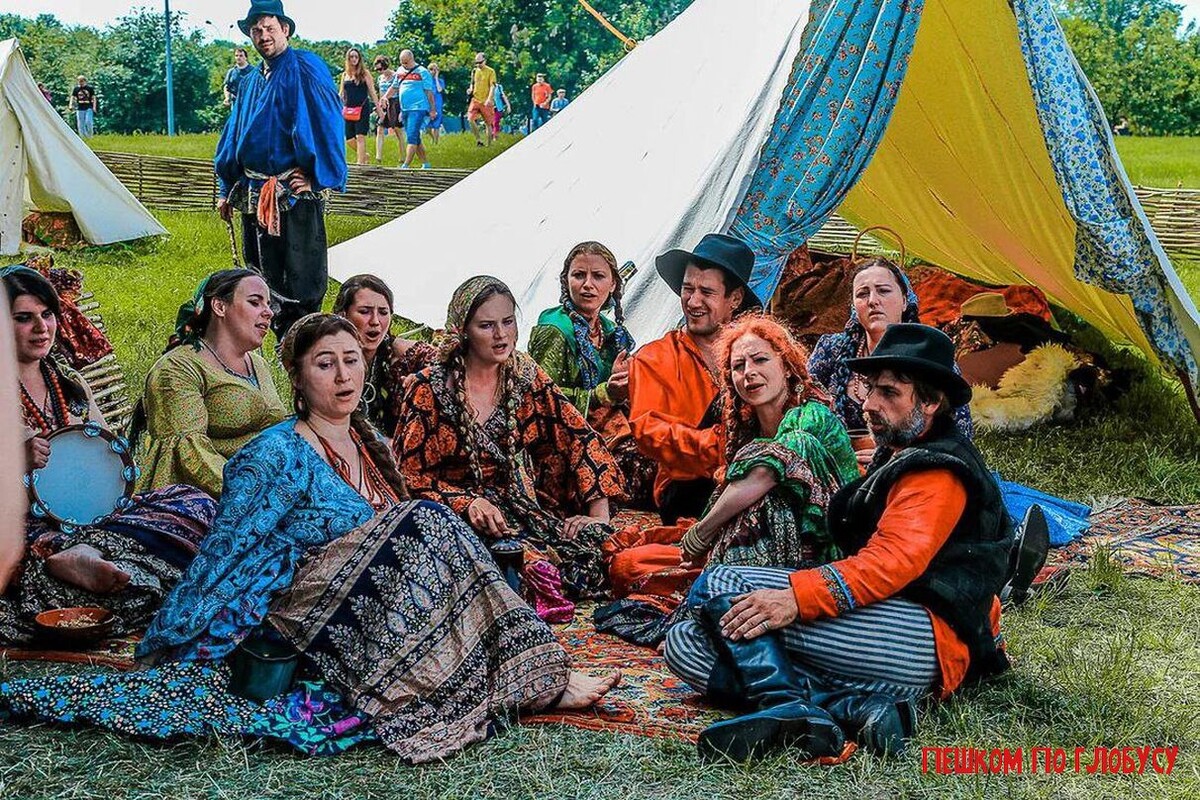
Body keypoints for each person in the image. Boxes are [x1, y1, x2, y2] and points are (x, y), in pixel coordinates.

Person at [2, 313, 619, 762]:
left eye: (351, 361)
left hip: (373, 603)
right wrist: (182, 636)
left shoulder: (372, 445)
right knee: (424, 520)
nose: (343, 375)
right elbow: (228, 552)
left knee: (437, 527)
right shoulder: (273, 455)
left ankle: (525, 674)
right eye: (325, 364)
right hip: (302, 606)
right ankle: (536, 680)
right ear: (298, 379)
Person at [665, 324, 1015, 763]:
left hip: (924, 640)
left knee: (720, 584)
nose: (868, 404)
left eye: (888, 393)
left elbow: (891, 562)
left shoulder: (937, 470)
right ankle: (852, 709)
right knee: (685, 644)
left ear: (930, 402)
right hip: (882, 640)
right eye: (869, 390)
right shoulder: (901, 452)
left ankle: (789, 705)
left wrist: (795, 598)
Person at [0, 266, 216, 645]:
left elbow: (107, 448)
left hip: (91, 518)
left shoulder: (69, 382)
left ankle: (86, 552)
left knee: (193, 501)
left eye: (47, 315)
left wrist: (109, 471)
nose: (41, 328)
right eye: (23, 318)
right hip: (22, 523)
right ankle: (70, 558)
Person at [396, 276, 625, 599]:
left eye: (508, 322)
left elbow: (576, 434)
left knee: (599, 555)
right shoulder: (428, 389)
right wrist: (467, 503)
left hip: (516, 506)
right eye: (486, 326)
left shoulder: (523, 375)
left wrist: (598, 514)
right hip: (452, 514)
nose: (501, 335)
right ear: (462, 330)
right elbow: (408, 476)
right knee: (521, 571)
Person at [214, 0, 347, 339]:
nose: (263, 36)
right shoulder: (250, 80)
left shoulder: (305, 68)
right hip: (253, 192)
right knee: (260, 277)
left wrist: (317, 177)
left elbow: (328, 121)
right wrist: (225, 188)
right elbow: (234, 133)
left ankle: (304, 345)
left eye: (269, 28)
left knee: (300, 281)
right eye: (256, 30)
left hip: (292, 194)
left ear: (285, 29)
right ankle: (277, 342)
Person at [629, 233, 762, 524]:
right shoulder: (653, 357)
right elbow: (647, 430)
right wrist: (719, 445)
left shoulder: (755, 355)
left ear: (735, 299)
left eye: (707, 292)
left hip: (752, 472)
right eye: (687, 289)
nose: (693, 301)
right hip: (685, 487)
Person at [134, 270, 287, 499]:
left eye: (268, 304)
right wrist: (255, 492)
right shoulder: (177, 368)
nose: (268, 312)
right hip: (202, 498)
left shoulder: (258, 364)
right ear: (219, 307)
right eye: (255, 302)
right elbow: (189, 454)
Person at [808, 258, 972, 468]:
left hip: (908, 466)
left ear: (904, 301)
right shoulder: (831, 350)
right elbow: (802, 405)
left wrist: (892, 454)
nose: (873, 301)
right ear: (853, 307)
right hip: (835, 467)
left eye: (883, 291)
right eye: (862, 294)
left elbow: (960, 434)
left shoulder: (930, 358)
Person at [528, 241, 655, 508]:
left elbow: (616, 392)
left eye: (598, 276)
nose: (588, 285)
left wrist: (624, 382)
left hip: (610, 429)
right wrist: (604, 393)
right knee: (643, 471)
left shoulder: (609, 331)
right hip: (566, 442)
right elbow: (541, 400)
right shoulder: (555, 330)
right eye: (579, 275)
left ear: (613, 284)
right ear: (566, 281)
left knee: (664, 454)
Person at [331, 274, 437, 438]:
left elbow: (454, 366)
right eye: (364, 312)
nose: (375, 321)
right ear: (343, 315)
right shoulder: (325, 358)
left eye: (383, 312)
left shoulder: (404, 355)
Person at [380, 50, 435, 170]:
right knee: (415, 137)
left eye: (406, 62)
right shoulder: (400, 71)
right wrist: (385, 97)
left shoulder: (422, 72)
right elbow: (394, 87)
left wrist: (432, 109)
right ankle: (426, 163)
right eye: (402, 62)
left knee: (411, 137)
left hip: (418, 108)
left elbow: (429, 92)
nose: (404, 65)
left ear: (412, 59)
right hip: (405, 108)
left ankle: (406, 165)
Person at [340, 48, 379, 167]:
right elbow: (341, 94)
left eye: (356, 57)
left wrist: (379, 109)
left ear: (359, 59)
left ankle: (360, 164)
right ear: (348, 59)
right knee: (349, 139)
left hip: (362, 108)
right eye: (351, 57)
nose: (354, 59)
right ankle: (364, 156)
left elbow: (372, 92)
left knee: (360, 136)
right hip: (348, 109)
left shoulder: (364, 73)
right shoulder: (345, 75)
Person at [372, 56, 403, 164]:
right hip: (384, 104)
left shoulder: (395, 76)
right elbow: (381, 92)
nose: (379, 71)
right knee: (380, 128)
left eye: (381, 69)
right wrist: (380, 105)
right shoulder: (380, 78)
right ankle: (378, 157)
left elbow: (398, 91)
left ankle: (402, 156)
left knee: (397, 130)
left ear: (386, 66)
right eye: (377, 70)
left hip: (394, 103)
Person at [467, 52, 498, 146]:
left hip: (486, 101)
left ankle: (489, 145)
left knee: (488, 123)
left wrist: (489, 99)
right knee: (470, 119)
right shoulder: (474, 71)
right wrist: (470, 89)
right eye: (476, 63)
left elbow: (492, 86)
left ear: (485, 61)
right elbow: (472, 83)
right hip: (475, 99)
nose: (478, 65)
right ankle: (479, 141)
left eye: (480, 62)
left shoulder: (491, 71)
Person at [425, 62, 446, 144]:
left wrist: (436, 77)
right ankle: (433, 138)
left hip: (438, 104)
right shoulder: (426, 81)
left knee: (436, 125)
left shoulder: (440, 81)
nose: (432, 71)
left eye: (435, 69)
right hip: (428, 104)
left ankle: (436, 143)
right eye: (431, 69)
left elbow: (440, 90)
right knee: (427, 126)